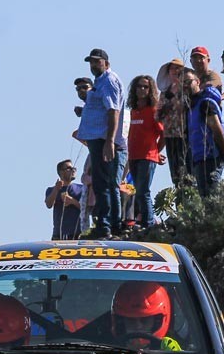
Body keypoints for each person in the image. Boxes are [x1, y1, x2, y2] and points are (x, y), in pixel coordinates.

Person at [79, 48, 125, 239]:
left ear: (106, 63)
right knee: (100, 183)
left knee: (104, 184)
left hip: (103, 139)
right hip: (97, 138)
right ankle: (106, 224)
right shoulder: (100, 81)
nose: (93, 65)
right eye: (91, 62)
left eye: (97, 62)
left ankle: (106, 225)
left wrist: (110, 141)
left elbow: (113, 111)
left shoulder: (109, 81)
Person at [125, 76, 165, 230]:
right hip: (133, 156)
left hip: (147, 157)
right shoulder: (134, 111)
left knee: (143, 191)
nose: (142, 90)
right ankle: (143, 221)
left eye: (145, 87)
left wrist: (156, 150)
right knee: (137, 190)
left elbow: (163, 134)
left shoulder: (153, 111)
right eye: (139, 87)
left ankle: (148, 223)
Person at [183, 67, 224, 197]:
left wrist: (223, 153)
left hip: (211, 156)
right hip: (198, 157)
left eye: (188, 82)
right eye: (182, 84)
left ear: (197, 81)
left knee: (211, 197)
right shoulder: (191, 106)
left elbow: (216, 128)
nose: (185, 86)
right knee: (204, 197)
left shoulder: (205, 103)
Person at [110, 281, 179, 351]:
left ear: (157, 321)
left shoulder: (173, 353)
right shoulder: (104, 350)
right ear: (121, 322)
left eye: (144, 320)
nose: (138, 326)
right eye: (131, 320)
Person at [156, 58, 189, 187]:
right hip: (170, 135)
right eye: (172, 68)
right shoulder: (165, 93)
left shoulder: (187, 88)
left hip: (186, 135)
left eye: (178, 68)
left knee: (186, 172)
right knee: (175, 174)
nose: (175, 71)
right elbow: (158, 116)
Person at [45, 160, 85, 240]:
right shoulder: (51, 190)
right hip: (58, 235)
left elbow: (87, 209)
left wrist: (72, 201)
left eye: (74, 168)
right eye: (69, 168)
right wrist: (56, 189)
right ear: (61, 172)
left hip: (78, 234)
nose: (73, 170)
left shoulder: (81, 189)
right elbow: (49, 204)